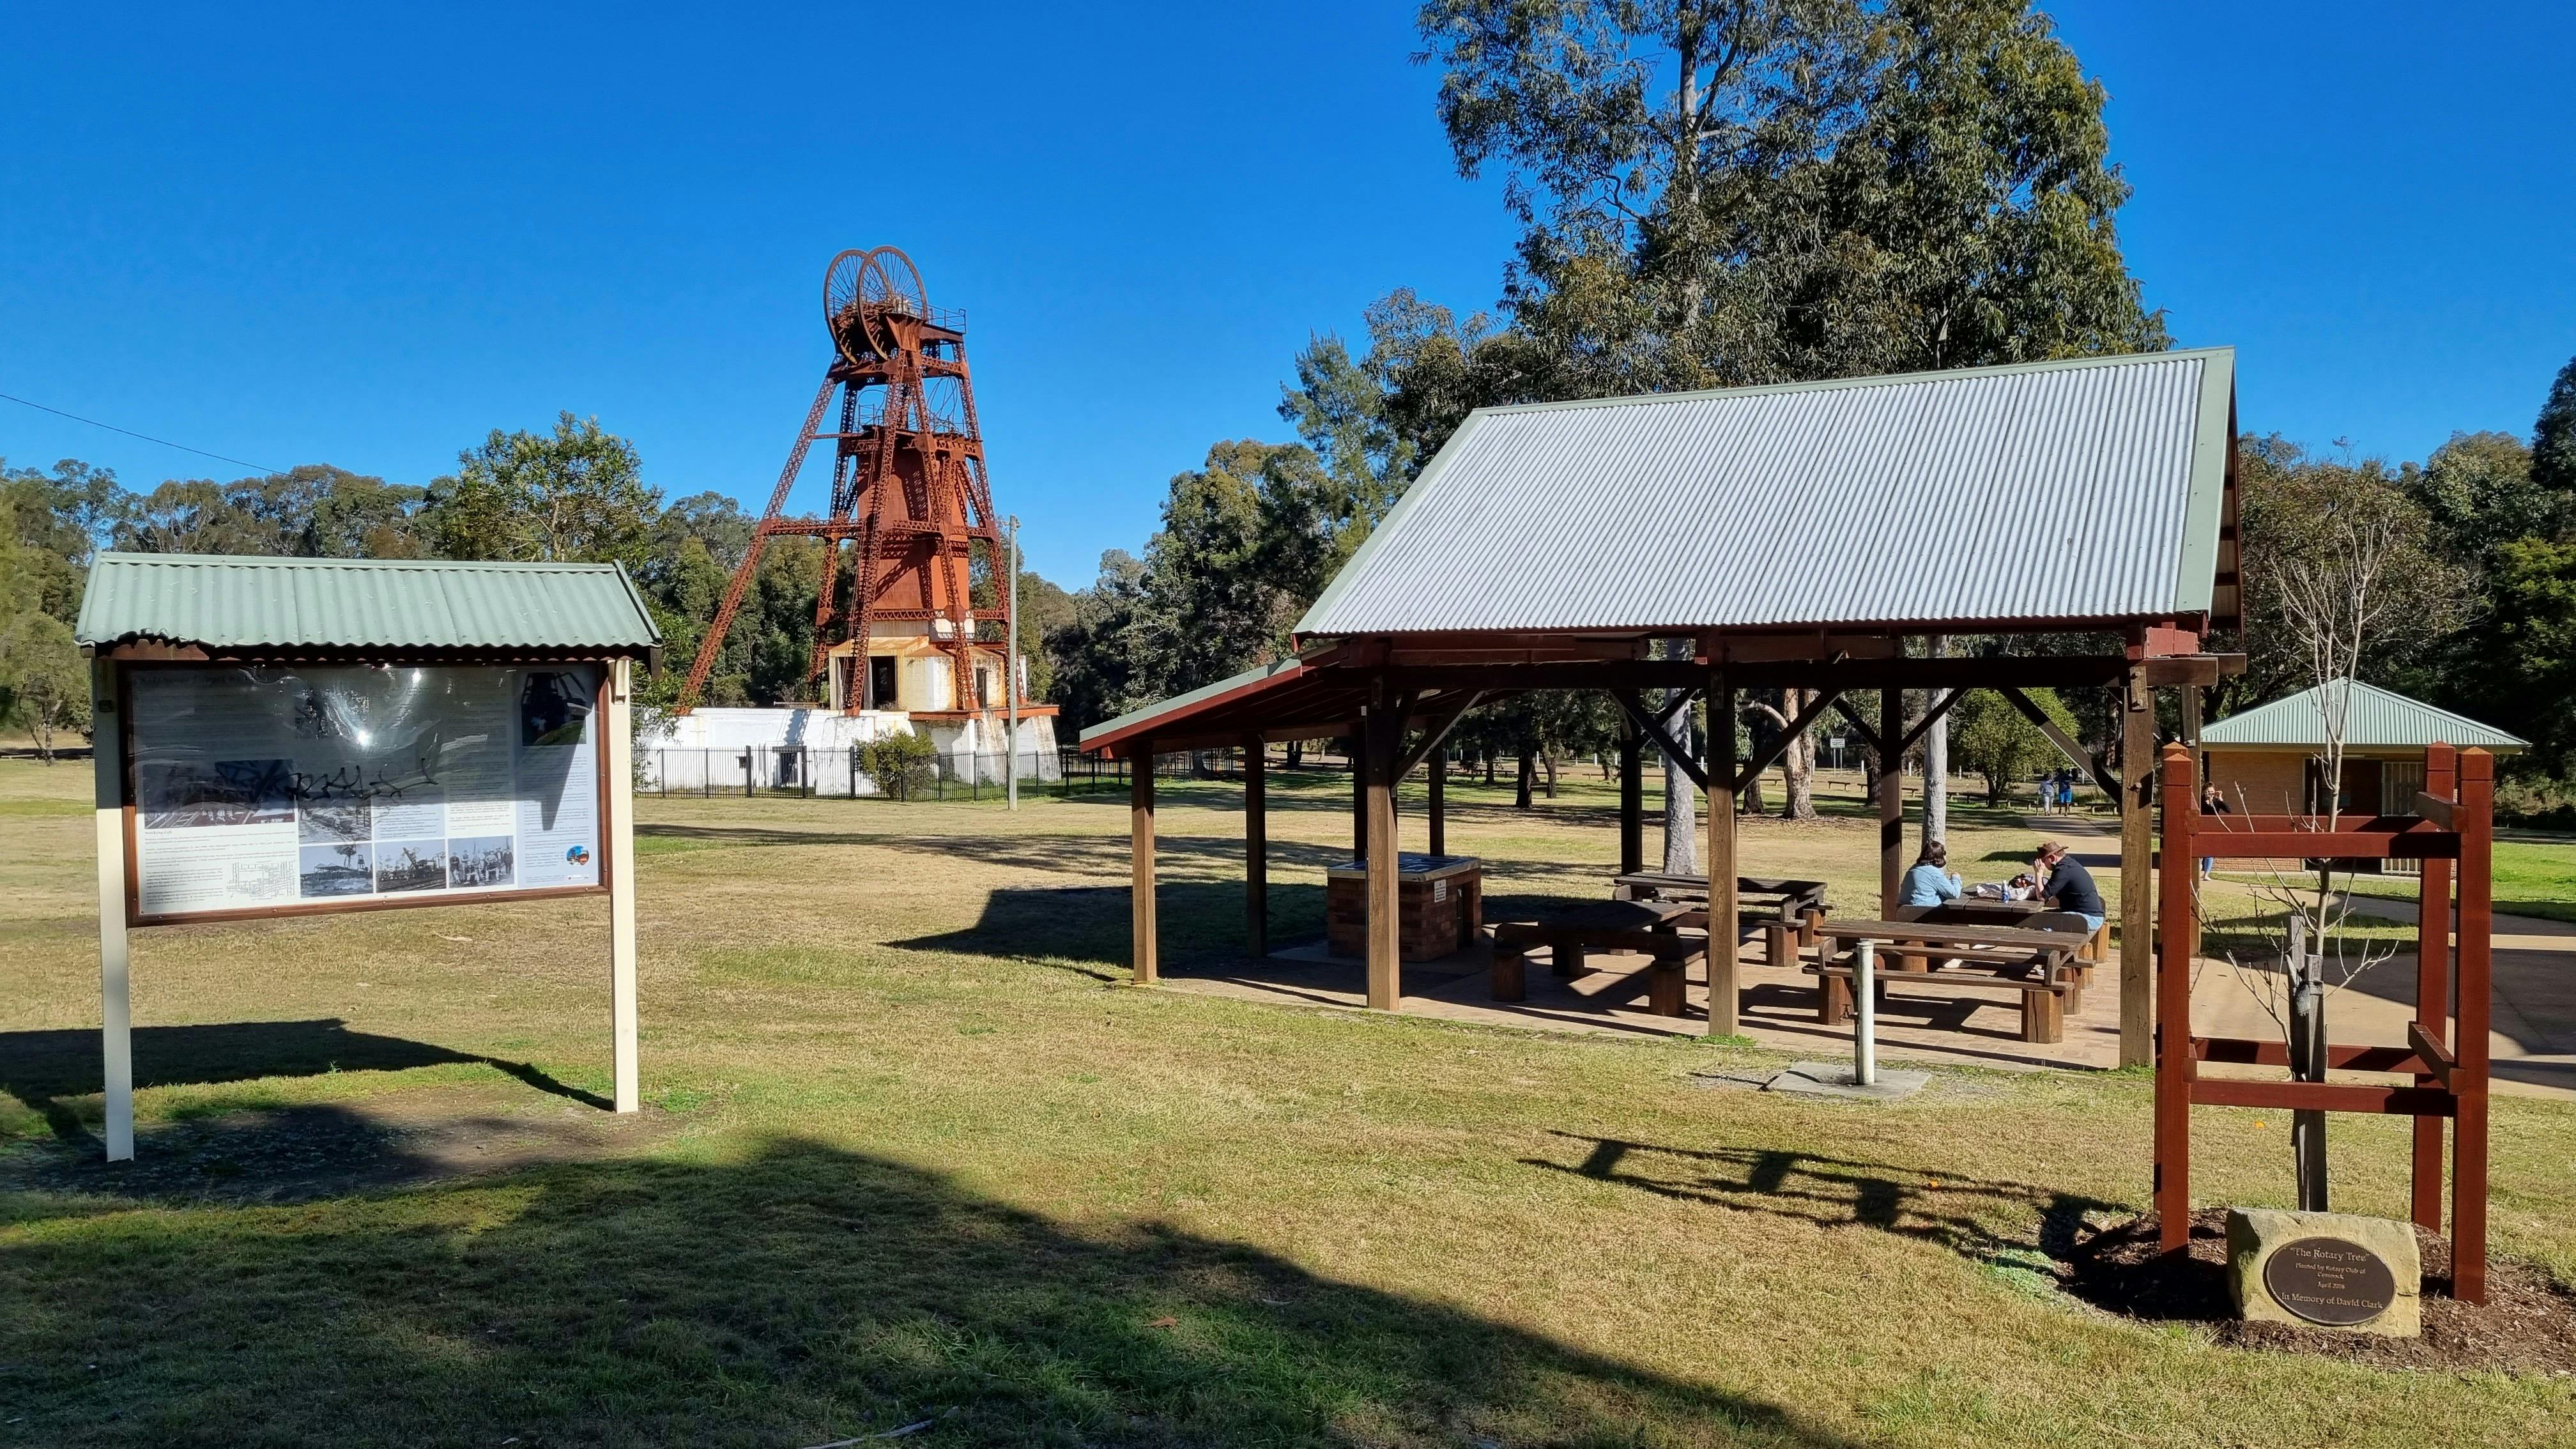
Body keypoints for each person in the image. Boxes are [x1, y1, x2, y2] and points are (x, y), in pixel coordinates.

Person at [2032, 840, 2104, 937]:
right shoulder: (2068, 865)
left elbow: (2042, 897)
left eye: (2043, 861)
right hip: (2084, 914)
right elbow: (2047, 892)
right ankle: (2050, 951)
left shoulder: (2063, 871)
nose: (2043, 865)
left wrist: (2038, 873)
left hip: (2088, 918)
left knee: (2045, 926)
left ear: (2052, 858)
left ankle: (2050, 951)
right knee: (2041, 918)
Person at [1899, 840, 1961, 908]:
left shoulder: (1913, 869)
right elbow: (1955, 894)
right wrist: (1955, 878)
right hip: (1924, 913)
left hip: (1904, 911)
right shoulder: (1933, 873)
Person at [2199, 783, 2232, 879]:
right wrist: (2207, 800)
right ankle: (2198, 868)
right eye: (2208, 792)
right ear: (2204, 792)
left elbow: (2228, 810)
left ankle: (2206, 874)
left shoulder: (2217, 802)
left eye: (2212, 792)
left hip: (2212, 829)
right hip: (2202, 828)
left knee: (2210, 851)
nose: (2210, 794)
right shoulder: (2200, 800)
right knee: (2200, 850)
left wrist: (2220, 798)